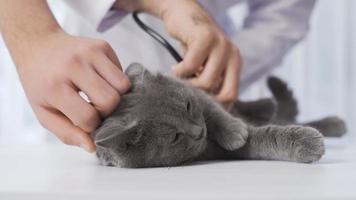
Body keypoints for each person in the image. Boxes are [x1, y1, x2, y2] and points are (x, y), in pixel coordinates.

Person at [0, 0, 316, 152]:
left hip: (209, 77)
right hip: (85, 77)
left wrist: (223, 65)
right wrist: (34, 35)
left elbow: (283, 17)